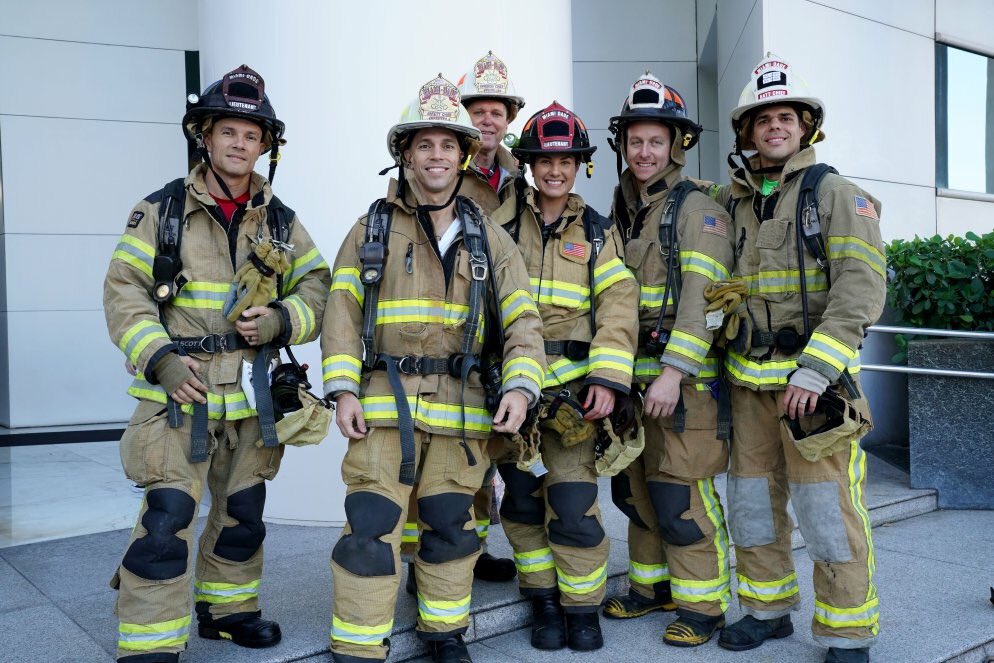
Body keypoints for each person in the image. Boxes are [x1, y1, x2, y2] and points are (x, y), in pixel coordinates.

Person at [103, 64, 331, 662]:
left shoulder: (281, 221)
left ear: (265, 146)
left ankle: (227, 611)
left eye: (251, 135)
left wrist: (283, 319)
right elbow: (124, 295)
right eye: (227, 131)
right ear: (204, 136)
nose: (239, 143)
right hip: (181, 395)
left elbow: (319, 290)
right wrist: (161, 362)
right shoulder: (160, 211)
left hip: (252, 399)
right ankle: (148, 643)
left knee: (243, 515)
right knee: (165, 519)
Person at [322, 74, 545, 663]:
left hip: (461, 411)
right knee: (370, 531)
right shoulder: (370, 229)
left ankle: (445, 636)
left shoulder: (490, 236)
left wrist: (522, 386)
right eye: (425, 144)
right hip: (382, 409)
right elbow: (340, 312)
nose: (437, 156)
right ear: (405, 154)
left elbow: (524, 321)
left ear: (464, 154)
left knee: (451, 530)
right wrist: (342, 389)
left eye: (448, 145)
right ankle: (357, 647)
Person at [707, 54, 885, 663]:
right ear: (747, 132)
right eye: (763, 120)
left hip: (815, 390)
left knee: (827, 511)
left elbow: (859, 292)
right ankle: (766, 610)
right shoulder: (733, 203)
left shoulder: (836, 195)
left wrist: (815, 370)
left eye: (786, 117)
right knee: (752, 504)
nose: (774, 128)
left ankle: (846, 632)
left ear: (806, 126)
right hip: (748, 385)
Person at [490, 101, 639, 652]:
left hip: (575, 399)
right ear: (528, 164)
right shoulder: (500, 227)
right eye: (544, 161)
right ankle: (544, 601)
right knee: (523, 504)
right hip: (515, 393)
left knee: (574, 507)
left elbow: (619, 308)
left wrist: (608, 377)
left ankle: (582, 609)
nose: (555, 171)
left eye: (566, 161)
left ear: (580, 166)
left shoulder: (598, 233)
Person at [600, 72, 735, 648]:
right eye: (636, 142)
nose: (645, 152)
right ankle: (651, 587)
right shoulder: (624, 207)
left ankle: (703, 606)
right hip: (633, 383)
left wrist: (675, 375)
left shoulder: (699, 210)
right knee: (635, 491)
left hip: (684, 387)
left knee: (680, 495)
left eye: (657, 142)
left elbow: (705, 305)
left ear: (677, 145)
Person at [400, 51, 529, 589]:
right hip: (458, 327)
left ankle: (469, 552)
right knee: (439, 457)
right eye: (478, 109)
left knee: (481, 455)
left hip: (507, 323)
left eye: (498, 111)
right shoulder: (442, 166)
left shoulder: (523, 175)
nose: (489, 119)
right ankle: (419, 563)